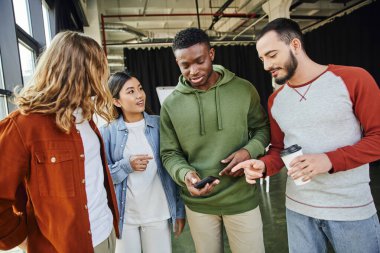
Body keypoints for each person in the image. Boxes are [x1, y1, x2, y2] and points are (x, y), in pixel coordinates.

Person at [232, 18, 380, 253]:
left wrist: (328, 160)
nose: (266, 66)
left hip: (351, 210)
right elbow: (279, 150)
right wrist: (262, 166)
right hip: (298, 211)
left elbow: (377, 138)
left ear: (296, 45)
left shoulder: (354, 79)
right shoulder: (276, 100)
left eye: (272, 55)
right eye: (262, 59)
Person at [0, 31, 119, 253]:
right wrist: (21, 239)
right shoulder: (24, 125)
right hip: (62, 247)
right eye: (98, 68)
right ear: (77, 71)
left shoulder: (85, 114)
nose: (103, 77)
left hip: (105, 233)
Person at [160, 27, 270, 253]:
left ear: (211, 54)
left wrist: (249, 151)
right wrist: (185, 175)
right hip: (199, 205)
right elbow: (169, 153)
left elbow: (262, 129)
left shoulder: (243, 89)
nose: (193, 70)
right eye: (185, 65)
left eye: (199, 61)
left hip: (242, 198)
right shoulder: (171, 105)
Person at [100, 71, 186, 253]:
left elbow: (172, 169)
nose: (139, 95)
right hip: (125, 218)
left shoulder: (160, 125)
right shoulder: (107, 132)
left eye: (140, 89)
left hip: (158, 214)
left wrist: (179, 211)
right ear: (116, 101)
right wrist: (126, 165)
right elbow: (103, 177)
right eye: (130, 91)